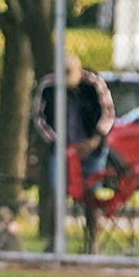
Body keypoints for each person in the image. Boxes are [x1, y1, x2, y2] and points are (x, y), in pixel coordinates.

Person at [34, 52, 120, 181]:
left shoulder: (94, 83)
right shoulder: (48, 86)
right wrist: (56, 141)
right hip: (60, 148)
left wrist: (96, 138)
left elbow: (108, 113)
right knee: (59, 187)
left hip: (92, 146)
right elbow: (40, 118)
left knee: (91, 188)